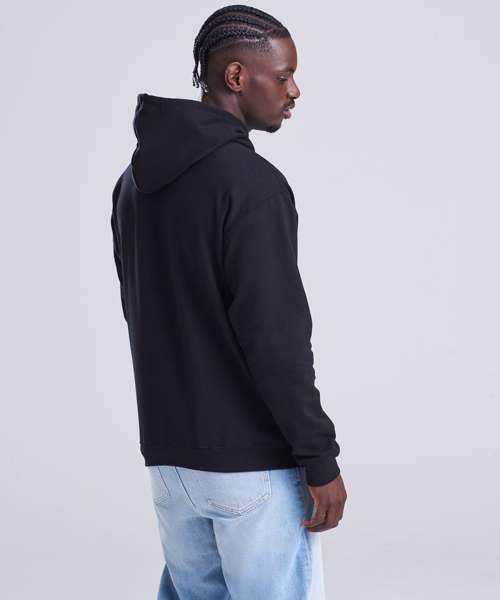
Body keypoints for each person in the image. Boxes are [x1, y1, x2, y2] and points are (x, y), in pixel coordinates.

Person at [111, 4, 347, 599]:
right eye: (283, 75)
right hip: (251, 469)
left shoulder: (133, 185)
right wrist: (319, 458)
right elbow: (275, 337)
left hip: (170, 464)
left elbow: (140, 313)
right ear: (236, 76)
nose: (294, 91)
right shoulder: (252, 186)